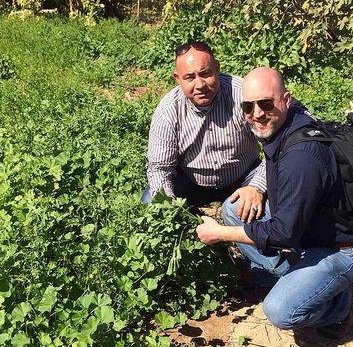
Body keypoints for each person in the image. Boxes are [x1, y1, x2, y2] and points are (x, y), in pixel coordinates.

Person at [196, 66, 353, 337]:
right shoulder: (285, 123)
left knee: (281, 309)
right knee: (234, 209)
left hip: (340, 248)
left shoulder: (301, 157)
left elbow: (283, 234)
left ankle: (340, 305)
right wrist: (256, 188)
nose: (257, 114)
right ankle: (300, 279)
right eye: (248, 107)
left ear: (286, 99)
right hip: (310, 228)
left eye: (266, 104)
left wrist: (220, 234)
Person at [143, 41, 266, 222]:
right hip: (192, 182)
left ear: (217, 68)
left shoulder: (243, 95)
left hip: (243, 175)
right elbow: (159, 168)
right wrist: (170, 208)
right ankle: (194, 222)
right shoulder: (168, 110)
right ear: (177, 79)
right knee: (151, 202)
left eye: (205, 73)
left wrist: (256, 187)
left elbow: (277, 146)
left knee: (279, 192)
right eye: (189, 78)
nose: (200, 84)